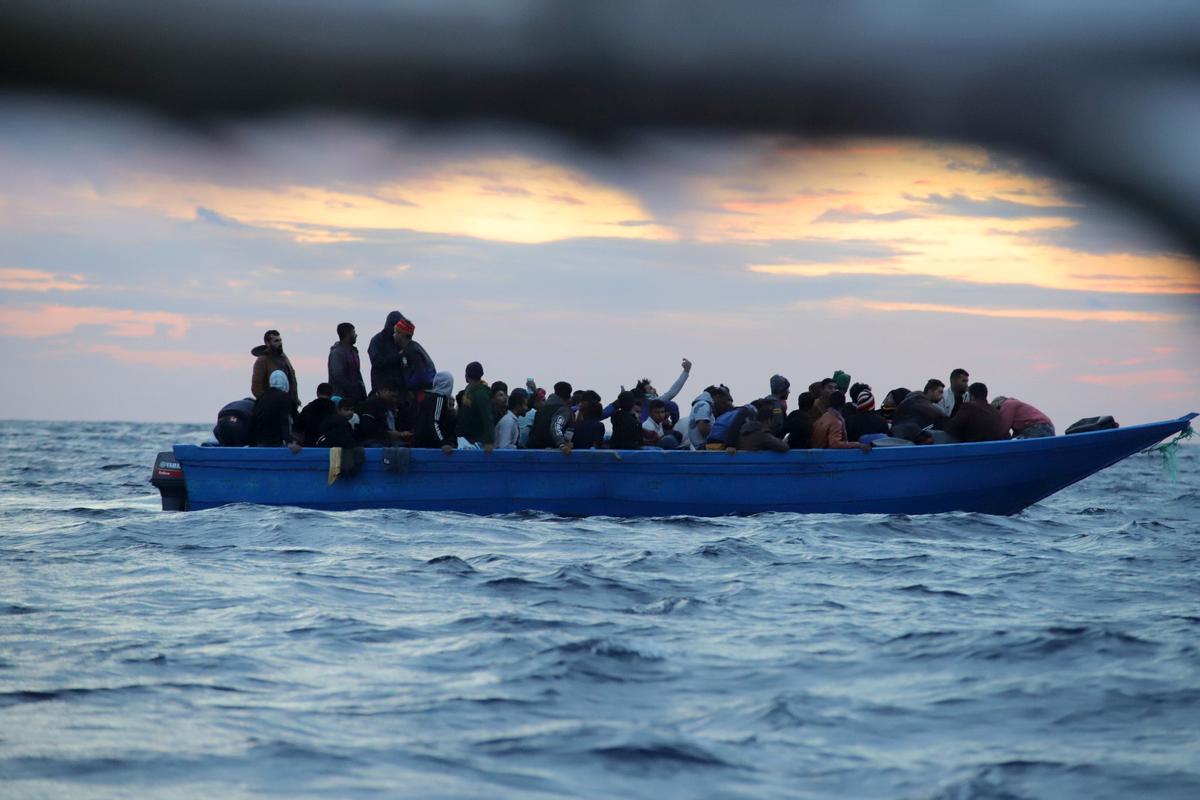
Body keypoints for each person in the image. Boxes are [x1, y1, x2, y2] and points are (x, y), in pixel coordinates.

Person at [251, 329, 299, 412]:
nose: (280, 343)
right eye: (276, 341)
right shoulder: (262, 360)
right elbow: (256, 388)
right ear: (268, 343)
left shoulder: (283, 357)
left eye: (280, 340)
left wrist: (295, 399)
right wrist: (269, 403)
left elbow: (292, 379)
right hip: (272, 409)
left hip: (289, 405)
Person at [632, 358, 692, 423]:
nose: (654, 389)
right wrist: (686, 371)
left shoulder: (636, 405)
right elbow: (672, 393)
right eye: (650, 388)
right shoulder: (652, 402)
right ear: (645, 394)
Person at [944, 382, 1008, 442]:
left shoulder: (969, 407)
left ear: (971, 395)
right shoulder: (995, 411)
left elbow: (951, 427)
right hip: (995, 447)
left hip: (975, 448)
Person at [251, 370, 297, 447]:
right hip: (275, 440)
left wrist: (251, 442)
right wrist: (289, 441)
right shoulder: (285, 398)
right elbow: (284, 420)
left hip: (260, 440)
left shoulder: (262, 397)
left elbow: (253, 419)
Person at [414, 371, 457, 452]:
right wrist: (443, 443)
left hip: (420, 444)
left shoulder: (427, 398)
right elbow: (434, 422)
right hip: (432, 446)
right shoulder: (439, 399)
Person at [456, 361, 495, 452]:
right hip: (465, 439)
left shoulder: (481, 393)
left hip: (476, 442)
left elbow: (487, 417)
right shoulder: (468, 391)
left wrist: (489, 441)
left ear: (466, 376)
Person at [392, 316, 437, 393]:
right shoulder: (414, 347)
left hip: (421, 394)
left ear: (402, 334)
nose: (394, 335)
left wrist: (405, 386)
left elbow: (420, 376)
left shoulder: (410, 352)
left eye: (396, 332)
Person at [367, 310, 407, 394]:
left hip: (399, 388)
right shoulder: (377, 341)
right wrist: (398, 356)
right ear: (391, 324)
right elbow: (376, 362)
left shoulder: (400, 341)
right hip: (383, 388)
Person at [528, 381, 573, 453]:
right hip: (550, 451)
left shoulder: (543, 407)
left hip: (533, 449)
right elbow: (556, 426)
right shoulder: (563, 409)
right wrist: (562, 443)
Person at [328, 322, 367, 403]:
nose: (356, 335)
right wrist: (352, 389)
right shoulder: (337, 353)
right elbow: (338, 375)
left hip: (355, 398)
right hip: (341, 399)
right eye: (353, 332)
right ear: (347, 334)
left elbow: (357, 374)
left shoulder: (354, 352)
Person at [687, 385, 731, 450]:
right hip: (703, 447)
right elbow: (702, 427)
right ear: (718, 397)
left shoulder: (703, 405)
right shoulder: (703, 405)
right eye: (723, 402)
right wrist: (718, 437)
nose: (723, 405)